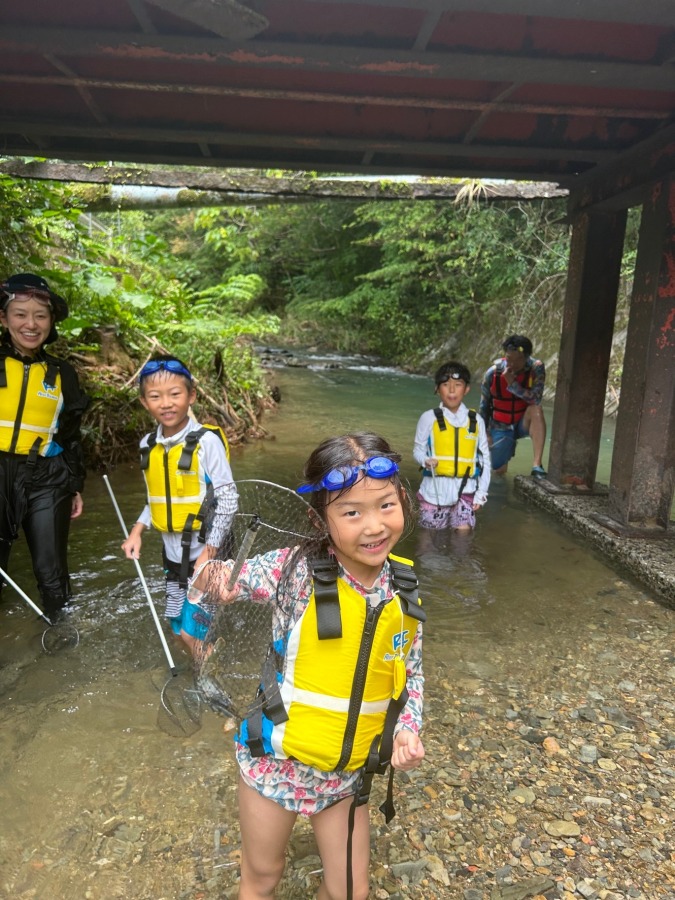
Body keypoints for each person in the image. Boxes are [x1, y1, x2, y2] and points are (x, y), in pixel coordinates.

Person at [190, 432, 425, 900]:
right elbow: (219, 581)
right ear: (321, 518)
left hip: (347, 771)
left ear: (402, 499)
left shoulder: (404, 586)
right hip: (276, 762)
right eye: (351, 512)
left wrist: (408, 728)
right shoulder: (294, 569)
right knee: (262, 877)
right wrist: (212, 576)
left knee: (351, 892)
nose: (374, 525)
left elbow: (411, 671)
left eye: (385, 505)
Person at [121, 355, 237, 657]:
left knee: (190, 633)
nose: (166, 403)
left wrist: (209, 553)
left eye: (175, 394)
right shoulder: (148, 445)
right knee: (176, 627)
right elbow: (156, 499)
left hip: (205, 552)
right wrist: (136, 532)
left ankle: (209, 680)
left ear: (191, 396)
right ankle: (200, 666)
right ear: (145, 402)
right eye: (155, 396)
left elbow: (228, 499)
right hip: (172, 556)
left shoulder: (206, 442)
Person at [0, 273, 89, 617]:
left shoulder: (63, 373)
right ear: (4, 318)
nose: (30, 324)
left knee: (52, 573)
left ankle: (61, 641)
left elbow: (70, 435)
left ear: (51, 323)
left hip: (47, 478)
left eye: (40, 315)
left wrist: (76, 485)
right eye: (20, 314)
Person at [413, 361, 490, 531]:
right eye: (446, 385)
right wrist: (425, 460)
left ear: (467, 389)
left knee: (463, 537)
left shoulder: (476, 421)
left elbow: (484, 460)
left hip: (466, 490)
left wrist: (481, 493)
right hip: (434, 491)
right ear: (437, 389)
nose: (452, 390)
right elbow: (417, 450)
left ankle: (461, 560)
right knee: (429, 540)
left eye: (458, 385)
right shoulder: (428, 418)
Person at [479, 335, 547, 478]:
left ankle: (537, 465)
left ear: (527, 357)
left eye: (518, 360)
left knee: (536, 410)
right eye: (509, 359)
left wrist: (513, 385)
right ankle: (506, 448)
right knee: (498, 469)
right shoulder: (492, 373)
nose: (512, 364)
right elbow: (484, 407)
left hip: (523, 421)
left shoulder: (536, 368)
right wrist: (485, 433)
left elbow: (536, 399)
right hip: (500, 424)